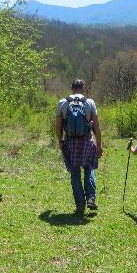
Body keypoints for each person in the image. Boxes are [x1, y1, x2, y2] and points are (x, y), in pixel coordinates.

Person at [55, 79, 103, 215]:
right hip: (87, 141)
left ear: (71, 88)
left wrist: (60, 140)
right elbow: (96, 127)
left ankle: (80, 205)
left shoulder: (63, 102)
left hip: (70, 142)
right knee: (89, 168)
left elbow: (58, 126)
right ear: (83, 88)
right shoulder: (89, 102)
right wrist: (99, 145)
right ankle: (91, 198)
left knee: (75, 173)